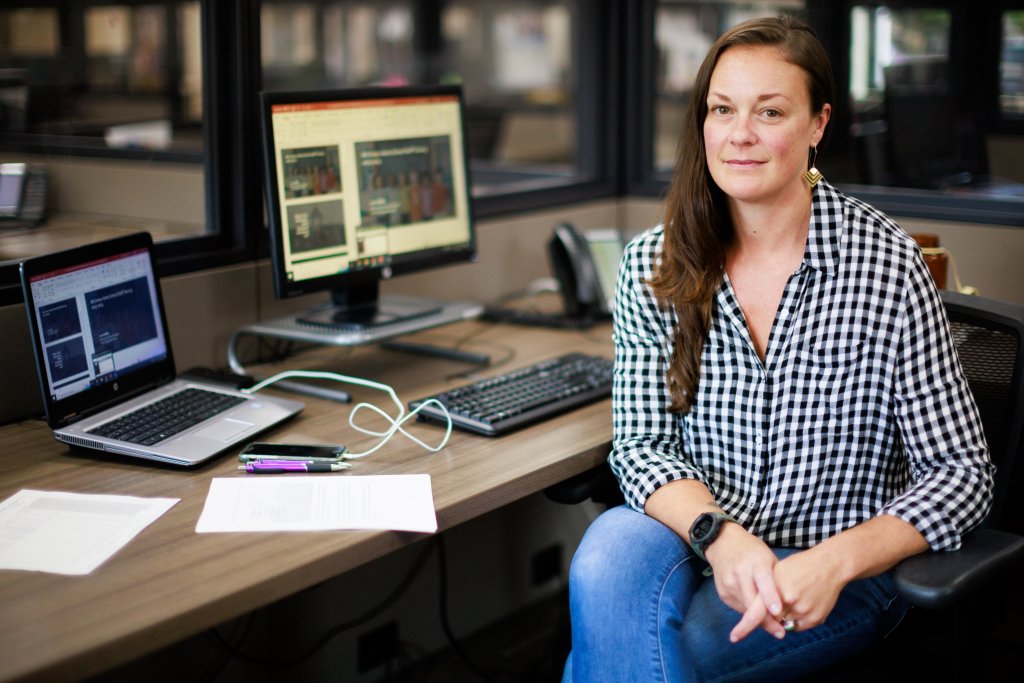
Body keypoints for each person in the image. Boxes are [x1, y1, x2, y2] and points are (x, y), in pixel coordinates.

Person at [562, 15, 994, 682]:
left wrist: (836, 560)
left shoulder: (885, 266)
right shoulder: (656, 260)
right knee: (606, 554)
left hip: (830, 566)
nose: (739, 134)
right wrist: (720, 537)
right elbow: (643, 446)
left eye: (770, 111)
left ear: (818, 124)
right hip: (699, 537)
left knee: (630, 653)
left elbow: (961, 472)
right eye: (722, 109)